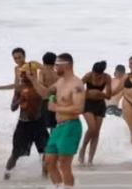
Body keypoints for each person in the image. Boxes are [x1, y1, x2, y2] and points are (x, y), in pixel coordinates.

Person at [29, 52, 85, 188]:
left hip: (71, 126)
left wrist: (56, 108)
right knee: (49, 161)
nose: (54, 68)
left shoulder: (76, 84)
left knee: (64, 164)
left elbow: (79, 109)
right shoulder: (60, 82)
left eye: (57, 65)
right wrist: (33, 80)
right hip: (59, 127)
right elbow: (45, 94)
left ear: (67, 66)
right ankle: (59, 187)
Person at [4, 69, 48, 180]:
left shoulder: (39, 87)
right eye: (21, 74)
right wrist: (19, 100)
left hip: (39, 123)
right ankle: (6, 177)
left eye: (26, 74)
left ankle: (44, 176)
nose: (23, 76)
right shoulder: (19, 88)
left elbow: (50, 97)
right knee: (15, 154)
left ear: (33, 74)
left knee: (46, 151)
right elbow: (12, 108)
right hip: (24, 124)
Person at [78, 61, 111, 166]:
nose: (95, 77)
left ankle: (90, 160)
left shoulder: (107, 78)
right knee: (92, 128)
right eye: (94, 74)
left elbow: (109, 96)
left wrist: (99, 93)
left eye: (98, 75)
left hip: (100, 105)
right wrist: (87, 93)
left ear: (102, 74)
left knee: (96, 132)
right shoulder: (88, 76)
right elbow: (76, 89)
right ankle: (83, 148)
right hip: (87, 104)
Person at [38, 52, 58, 132]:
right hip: (55, 99)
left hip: (45, 99)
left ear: (43, 62)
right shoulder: (57, 73)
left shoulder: (42, 72)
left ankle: (45, 143)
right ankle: (53, 141)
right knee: (54, 125)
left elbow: (40, 83)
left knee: (42, 124)